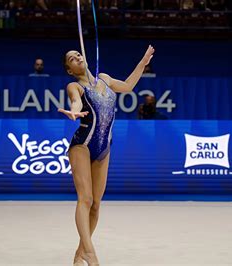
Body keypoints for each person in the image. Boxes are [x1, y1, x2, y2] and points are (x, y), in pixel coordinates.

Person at [58, 45, 155, 266]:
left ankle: (79, 253)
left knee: (96, 204)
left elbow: (129, 86)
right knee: (85, 198)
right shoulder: (75, 86)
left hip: (104, 147)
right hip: (82, 143)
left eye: (78, 54)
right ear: (70, 70)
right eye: (72, 58)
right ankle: (91, 255)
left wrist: (143, 61)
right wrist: (73, 110)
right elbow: (74, 100)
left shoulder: (104, 79)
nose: (77, 57)